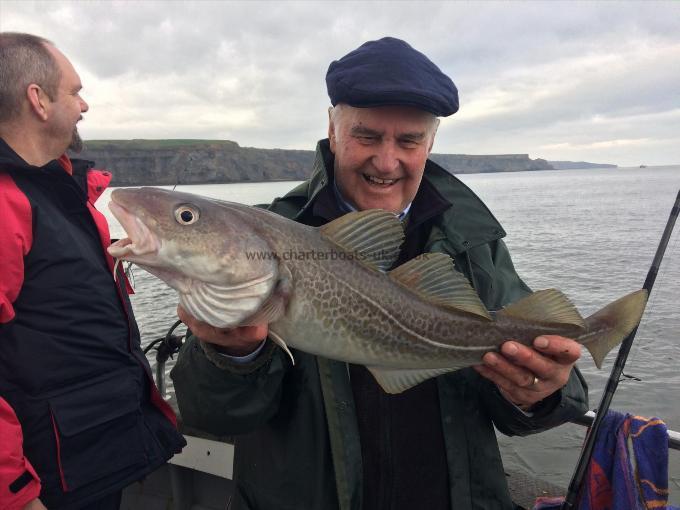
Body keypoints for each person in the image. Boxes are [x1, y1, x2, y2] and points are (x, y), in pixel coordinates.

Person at [171, 37, 588, 510]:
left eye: (408, 141)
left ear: (430, 142)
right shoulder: (259, 240)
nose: (386, 162)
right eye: (366, 136)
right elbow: (213, 413)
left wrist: (541, 391)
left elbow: (540, 402)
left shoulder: (473, 243)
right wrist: (234, 356)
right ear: (333, 130)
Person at [0, 33, 186, 510]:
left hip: (89, 455)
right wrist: (14, 493)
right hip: (47, 479)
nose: (84, 105)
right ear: (38, 100)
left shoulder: (65, 195)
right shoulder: (6, 203)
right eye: (75, 91)